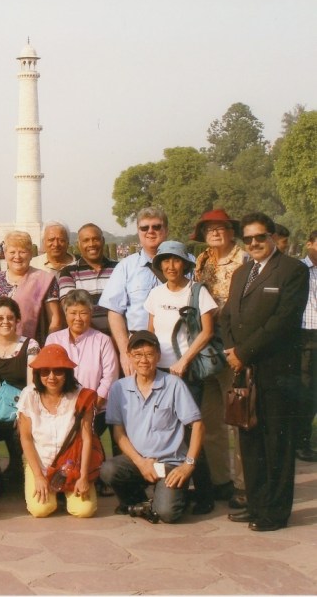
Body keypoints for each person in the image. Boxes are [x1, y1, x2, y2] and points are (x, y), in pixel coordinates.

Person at [221, 213, 308, 531]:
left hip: (277, 372)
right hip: (244, 371)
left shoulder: (292, 270)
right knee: (250, 440)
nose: (254, 243)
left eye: (260, 237)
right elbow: (227, 316)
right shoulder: (242, 273)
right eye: (248, 239)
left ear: (272, 236)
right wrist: (231, 351)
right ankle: (256, 505)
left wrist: (243, 353)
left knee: (277, 443)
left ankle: (275, 512)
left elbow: (283, 322)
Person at [145, 240, 218, 514]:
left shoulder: (196, 291)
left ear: (185, 264)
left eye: (175, 260)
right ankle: (175, 490)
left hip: (187, 373)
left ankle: (205, 493)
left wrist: (184, 360)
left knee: (190, 430)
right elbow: (151, 332)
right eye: (165, 261)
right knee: (166, 430)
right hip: (161, 371)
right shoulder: (156, 294)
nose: (170, 266)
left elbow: (207, 331)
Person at [101, 331, 204, 524]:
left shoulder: (173, 384)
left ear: (158, 356)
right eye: (138, 354)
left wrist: (188, 465)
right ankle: (141, 502)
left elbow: (197, 425)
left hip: (169, 463)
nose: (143, 360)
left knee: (167, 513)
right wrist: (140, 462)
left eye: (149, 354)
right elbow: (118, 432)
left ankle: (160, 502)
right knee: (108, 470)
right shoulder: (119, 388)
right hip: (138, 462)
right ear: (129, 356)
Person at [191, 208, 248, 505]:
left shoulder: (244, 259)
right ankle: (220, 480)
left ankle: (243, 484)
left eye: (220, 227)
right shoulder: (202, 260)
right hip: (207, 349)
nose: (214, 232)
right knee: (211, 420)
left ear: (231, 231)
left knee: (238, 419)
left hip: (234, 346)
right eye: (209, 228)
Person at [17, 344, 98, 518]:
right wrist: (38, 476)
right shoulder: (29, 395)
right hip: (41, 461)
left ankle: (63, 491)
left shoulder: (81, 396)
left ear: (67, 373)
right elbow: (26, 438)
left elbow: (87, 439)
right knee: (41, 509)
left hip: (72, 464)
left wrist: (83, 477)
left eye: (58, 371)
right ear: (38, 374)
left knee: (84, 510)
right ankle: (55, 491)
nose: (51, 377)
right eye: (45, 371)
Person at [45, 290, 117, 473]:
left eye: (83, 313)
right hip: (61, 409)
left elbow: (110, 376)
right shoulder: (54, 339)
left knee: (89, 445)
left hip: (97, 409)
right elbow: (48, 373)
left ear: (91, 314)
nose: (78, 318)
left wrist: (92, 405)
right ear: (65, 314)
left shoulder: (102, 340)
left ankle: (94, 476)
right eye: (73, 313)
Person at [99, 207, 169, 375]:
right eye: (144, 228)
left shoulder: (188, 264)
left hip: (177, 347)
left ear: (166, 230)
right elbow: (114, 312)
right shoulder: (125, 267)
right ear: (138, 231)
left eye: (156, 226)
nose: (150, 231)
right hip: (139, 348)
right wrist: (125, 353)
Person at [0, 297, 39, 487]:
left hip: (23, 409)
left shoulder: (30, 345)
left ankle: (21, 472)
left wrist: (22, 415)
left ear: (17, 320)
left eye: (10, 317)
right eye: (0, 318)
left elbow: (32, 386)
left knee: (21, 434)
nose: (5, 322)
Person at [0, 231, 63, 344]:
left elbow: (55, 321)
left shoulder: (45, 279)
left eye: (22, 252)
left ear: (30, 254)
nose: (17, 257)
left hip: (34, 347)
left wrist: (49, 349)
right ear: (5, 254)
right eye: (12, 252)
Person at [57, 223, 117, 335]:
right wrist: (100, 337)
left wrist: (116, 336)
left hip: (119, 336)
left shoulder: (119, 268)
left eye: (96, 239)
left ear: (103, 241)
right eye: (86, 240)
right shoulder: (68, 272)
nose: (91, 244)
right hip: (86, 337)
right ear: (78, 244)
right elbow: (69, 308)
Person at [297, 230, 317, 462]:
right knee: (305, 390)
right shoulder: (299, 269)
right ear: (309, 243)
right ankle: (300, 442)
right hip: (304, 334)